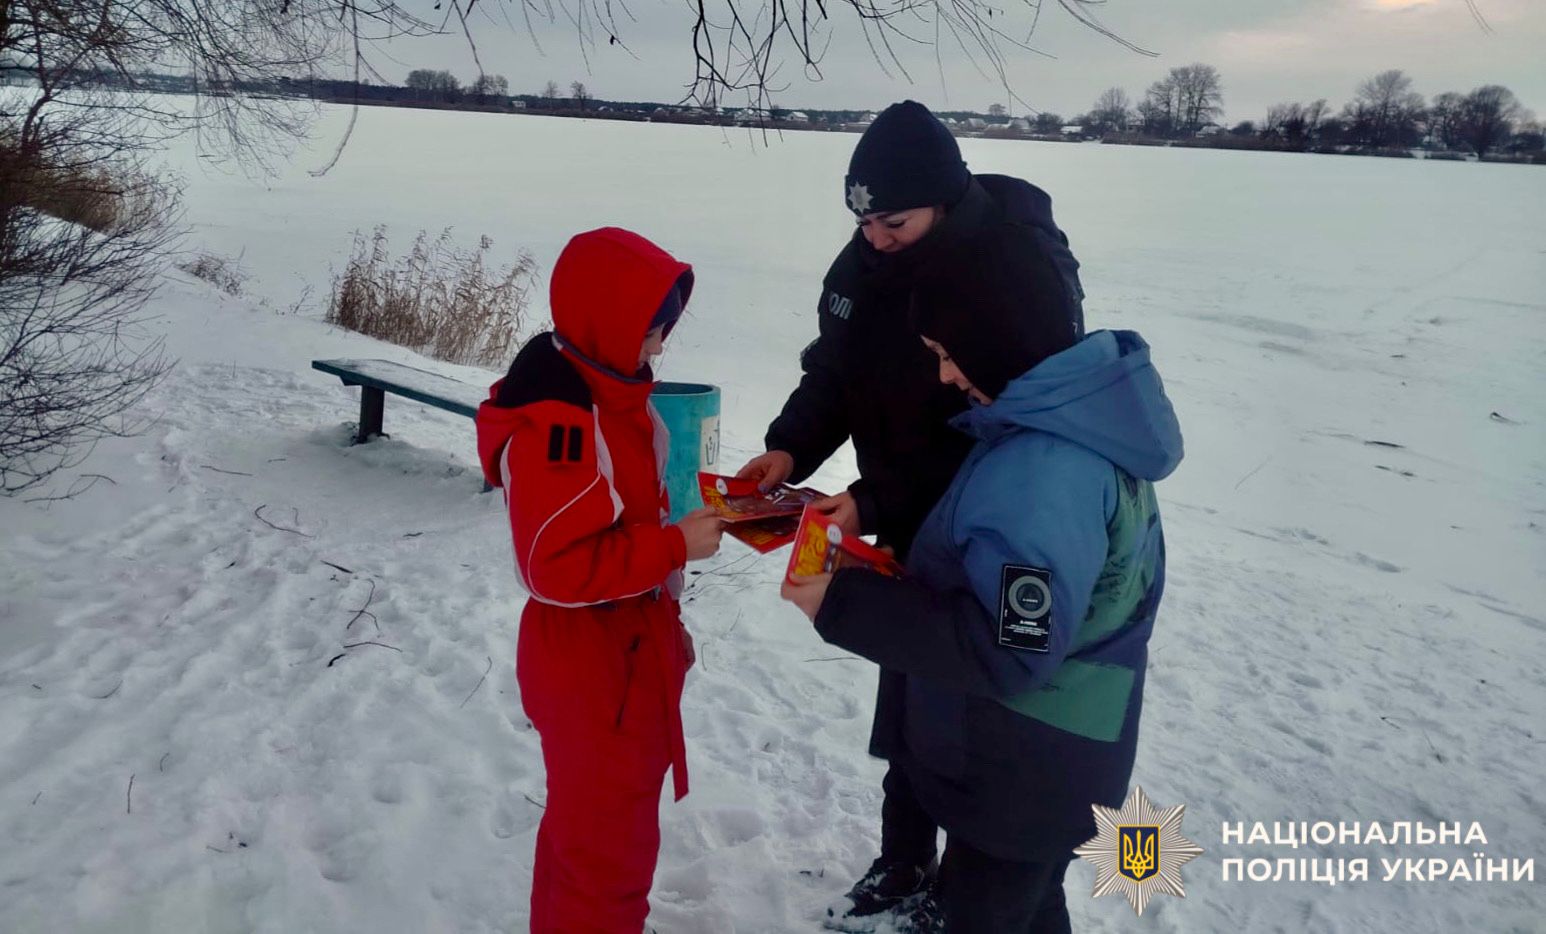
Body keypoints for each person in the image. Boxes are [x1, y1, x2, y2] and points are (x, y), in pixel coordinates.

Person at [736, 99, 1087, 925]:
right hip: (896, 514)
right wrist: (791, 448)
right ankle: (903, 864)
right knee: (909, 704)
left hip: (981, 529)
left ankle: (979, 892)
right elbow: (834, 368)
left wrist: (870, 500)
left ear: (943, 200)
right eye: (862, 221)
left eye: (892, 222)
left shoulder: (1009, 277)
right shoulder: (865, 259)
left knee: (971, 713)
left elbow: (1006, 432)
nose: (873, 238)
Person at [780, 232, 1184, 933]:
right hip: (1051, 757)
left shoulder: (1043, 473)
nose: (941, 378)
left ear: (997, 342)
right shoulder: (1066, 426)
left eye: (943, 356)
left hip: (1024, 773)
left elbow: (1011, 649)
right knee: (1031, 912)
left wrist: (840, 601)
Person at [475, 227, 726, 933]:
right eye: (652, 330)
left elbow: (626, 516)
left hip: (625, 651)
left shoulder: (610, 392)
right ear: (608, 322)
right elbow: (552, 566)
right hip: (594, 667)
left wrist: (667, 611)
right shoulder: (562, 421)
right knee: (607, 866)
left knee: (582, 840)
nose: (661, 348)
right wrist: (675, 545)